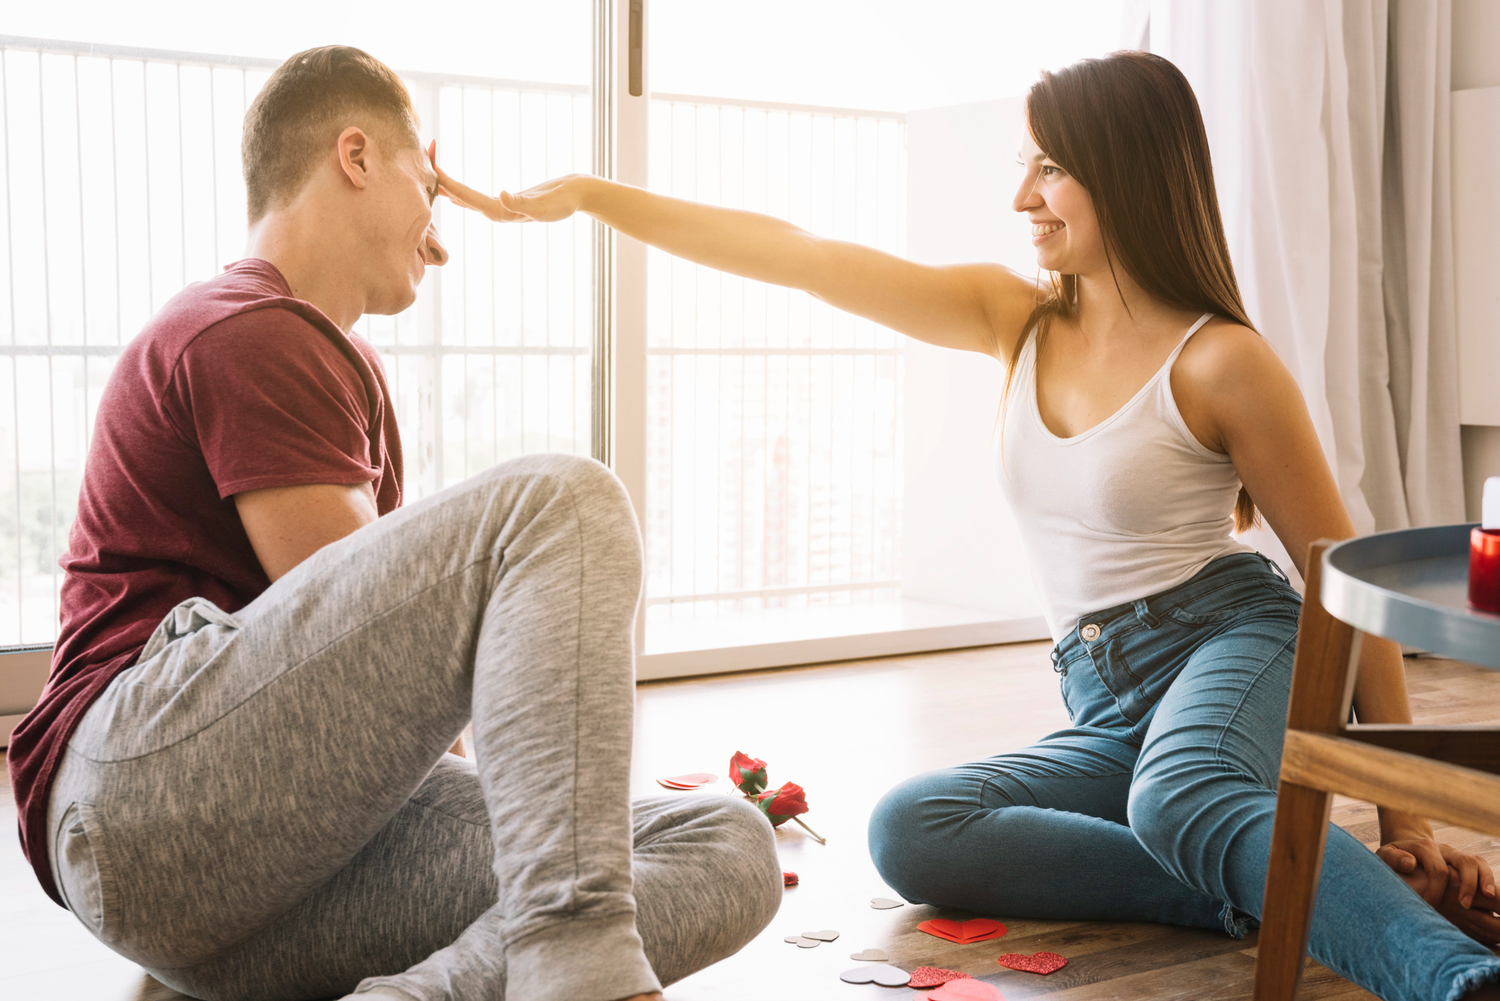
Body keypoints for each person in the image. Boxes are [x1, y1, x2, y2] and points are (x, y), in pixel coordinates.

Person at [432, 50, 1500, 1001]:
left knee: (1181, 793)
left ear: (1122, 171)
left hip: (1231, 639)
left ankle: (1458, 975)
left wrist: (1408, 817)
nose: (1021, 195)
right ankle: (1249, 883)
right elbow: (798, 252)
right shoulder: (1015, 318)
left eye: (1049, 167)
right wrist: (587, 195)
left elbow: (1335, 569)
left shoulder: (1221, 359)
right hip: (1101, 690)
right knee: (913, 826)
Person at [6, 45, 780, 1001]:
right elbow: (360, 650)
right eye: (429, 182)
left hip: (265, 879)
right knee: (565, 501)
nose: (437, 226)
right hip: (141, 797)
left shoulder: (334, 363)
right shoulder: (242, 326)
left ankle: (429, 990)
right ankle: (578, 968)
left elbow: (371, 699)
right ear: (357, 156)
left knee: (724, 842)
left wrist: (549, 809)